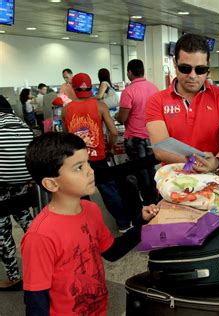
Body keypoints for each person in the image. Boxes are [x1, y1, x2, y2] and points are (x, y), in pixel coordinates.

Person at [21, 132, 158, 315]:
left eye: (88, 163)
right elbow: (36, 301)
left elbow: (111, 252)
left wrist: (143, 223)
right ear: (52, 184)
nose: (90, 171)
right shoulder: (40, 236)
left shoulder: (90, 209)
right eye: (78, 168)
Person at [145, 33, 219, 179]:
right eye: (185, 68)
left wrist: (217, 162)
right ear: (175, 63)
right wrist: (202, 164)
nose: (193, 75)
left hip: (216, 183)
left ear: (208, 65)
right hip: (174, 185)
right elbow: (161, 150)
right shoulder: (157, 101)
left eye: (200, 69)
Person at [62, 73, 133, 233]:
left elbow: (66, 138)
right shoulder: (100, 105)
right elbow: (114, 132)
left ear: (73, 89)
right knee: (109, 191)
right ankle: (124, 224)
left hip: (76, 161)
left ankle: (86, 228)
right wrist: (108, 147)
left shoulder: (66, 109)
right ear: (91, 87)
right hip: (98, 157)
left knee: (80, 194)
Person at [0, 96, 34, 291]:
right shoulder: (20, 122)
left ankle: (14, 277)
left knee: (3, 229)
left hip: (1, 184)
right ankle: (51, 259)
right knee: (24, 217)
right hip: (23, 179)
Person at [116, 59, 160, 205]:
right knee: (151, 168)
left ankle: (147, 203)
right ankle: (155, 198)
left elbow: (122, 118)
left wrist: (116, 116)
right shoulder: (154, 88)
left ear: (129, 72)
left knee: (141, 172)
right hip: (152, 137)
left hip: (135, 138)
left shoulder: (129, 91)